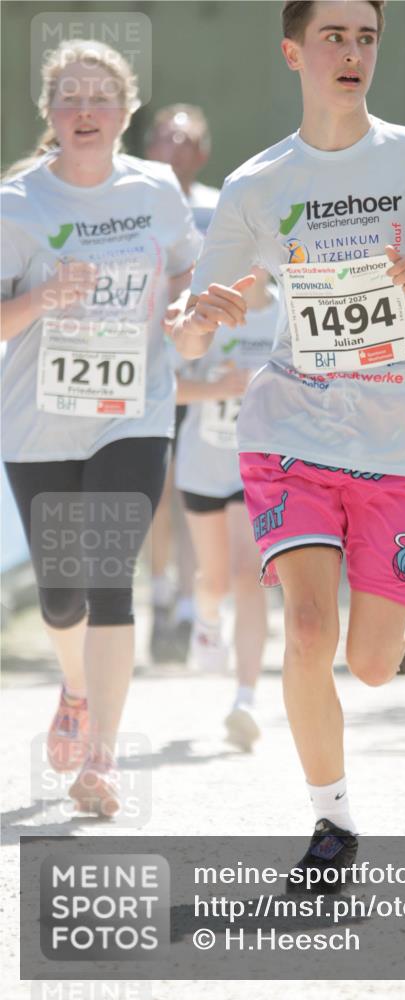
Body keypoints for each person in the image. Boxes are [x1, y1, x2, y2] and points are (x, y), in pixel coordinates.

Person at [172, 0, 405, 890]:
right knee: (309, 630)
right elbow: (195, 326)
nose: (353, 53)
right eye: (334, 37)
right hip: (293, 426)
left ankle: (401, 618)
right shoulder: (255, 184)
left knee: (371, 663)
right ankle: (332, 822)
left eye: (366, 37)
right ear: (294, 52)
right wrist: (198, 319)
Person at [0, 40, 200, 816]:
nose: (85, 111)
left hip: (133, 413)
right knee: (61, 599)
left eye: (101, 98)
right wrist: (43, 298)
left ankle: (104, 758)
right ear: (50, 112)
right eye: (70, 98)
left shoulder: (155, 190)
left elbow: (185, 271)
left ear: (126, 112)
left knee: (110, 571)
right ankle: (75, 687)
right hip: (39, 423)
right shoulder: (16, 203)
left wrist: (184, 312)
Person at [173, 268, 279, 749]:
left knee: (247, 572)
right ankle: (208, 618)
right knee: (214, 582)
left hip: (258, 465)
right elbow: (165, 386)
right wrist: (222, 386)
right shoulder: (201, 310)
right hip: (203, 465)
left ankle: (245, 698)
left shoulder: (289, 310)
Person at [143, 105, 221, 662]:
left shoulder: (218, 206)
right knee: (158, 490)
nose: (177, 149)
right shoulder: (134, 202)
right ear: (149, 148)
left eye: (188, 140)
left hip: (203, 365)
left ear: (204, 152)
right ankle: (160, 595)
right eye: (168, 138)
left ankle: (194, 606)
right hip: (148, 363)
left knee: (196, 489)